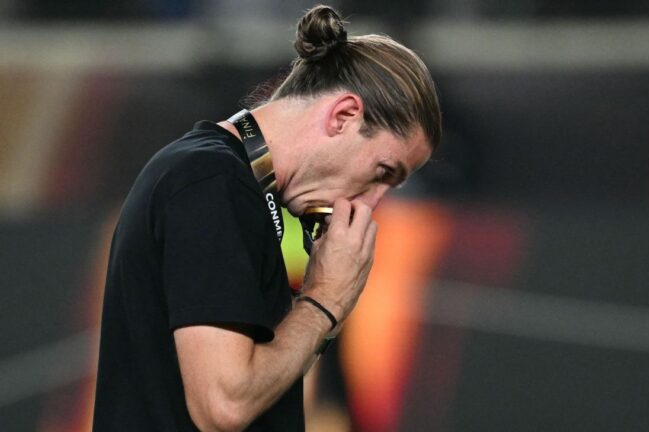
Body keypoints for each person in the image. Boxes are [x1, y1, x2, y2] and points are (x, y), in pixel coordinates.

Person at [92, 5, 441, 432]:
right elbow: (225, 405)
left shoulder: (236, 188)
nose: (370, 203)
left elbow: (259, 391)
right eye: (382, 172)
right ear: (343, 116)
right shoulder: (212, 182)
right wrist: (326, 300)